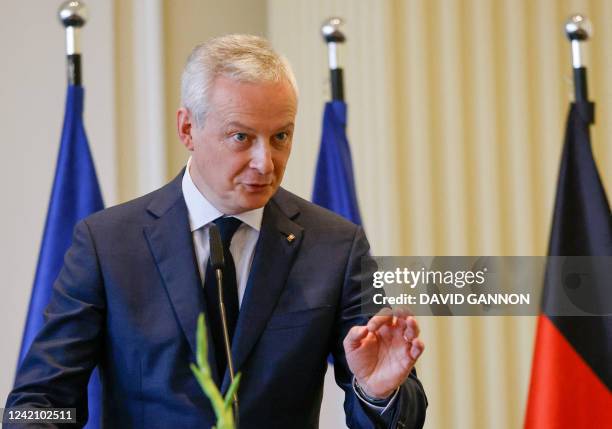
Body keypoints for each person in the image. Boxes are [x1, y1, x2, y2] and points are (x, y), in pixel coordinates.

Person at [7, 34, 427, 428]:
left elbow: (396, 410)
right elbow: (37, 401)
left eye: (280, 136)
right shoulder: (107, 243)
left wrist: (377, 391)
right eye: (241, 137)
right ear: (188, 128)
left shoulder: (335, 246)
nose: (266, 162)